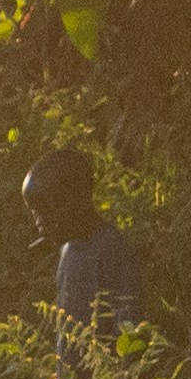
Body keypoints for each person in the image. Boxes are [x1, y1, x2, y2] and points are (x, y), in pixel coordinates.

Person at [27, 146, 148, 344]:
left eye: (47, 211)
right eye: (36, 215)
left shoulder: (111, 249)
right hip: (74, 372)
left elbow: (130, 325)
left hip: (106, 370)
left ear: (77, 199)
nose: (40, 224)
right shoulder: (68, 252)